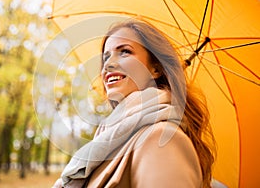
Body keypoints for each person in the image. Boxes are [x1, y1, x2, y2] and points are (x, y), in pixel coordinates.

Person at [53, 19, 216, 188]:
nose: (109, 64)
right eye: (106, 57)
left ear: (155, 69)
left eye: (124, 52)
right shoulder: (108, 139)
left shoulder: (162, 138)